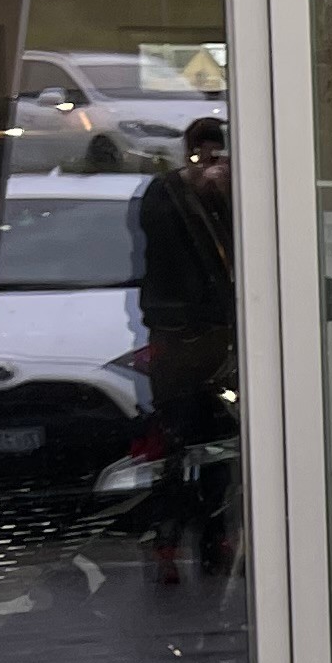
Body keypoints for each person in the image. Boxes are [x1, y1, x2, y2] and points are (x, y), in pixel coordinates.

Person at [134, 114, 238, 582]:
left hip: (220, 341)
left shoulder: (232, 194)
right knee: (175, 444)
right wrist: (199, 187)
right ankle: (169, 542)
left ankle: (216, 537)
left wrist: (228, 192)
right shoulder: (166, 193)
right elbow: (159, 243)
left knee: (220, 445)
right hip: (178, 343)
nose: (208, 163)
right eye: (201, 154)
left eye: (216, 155)